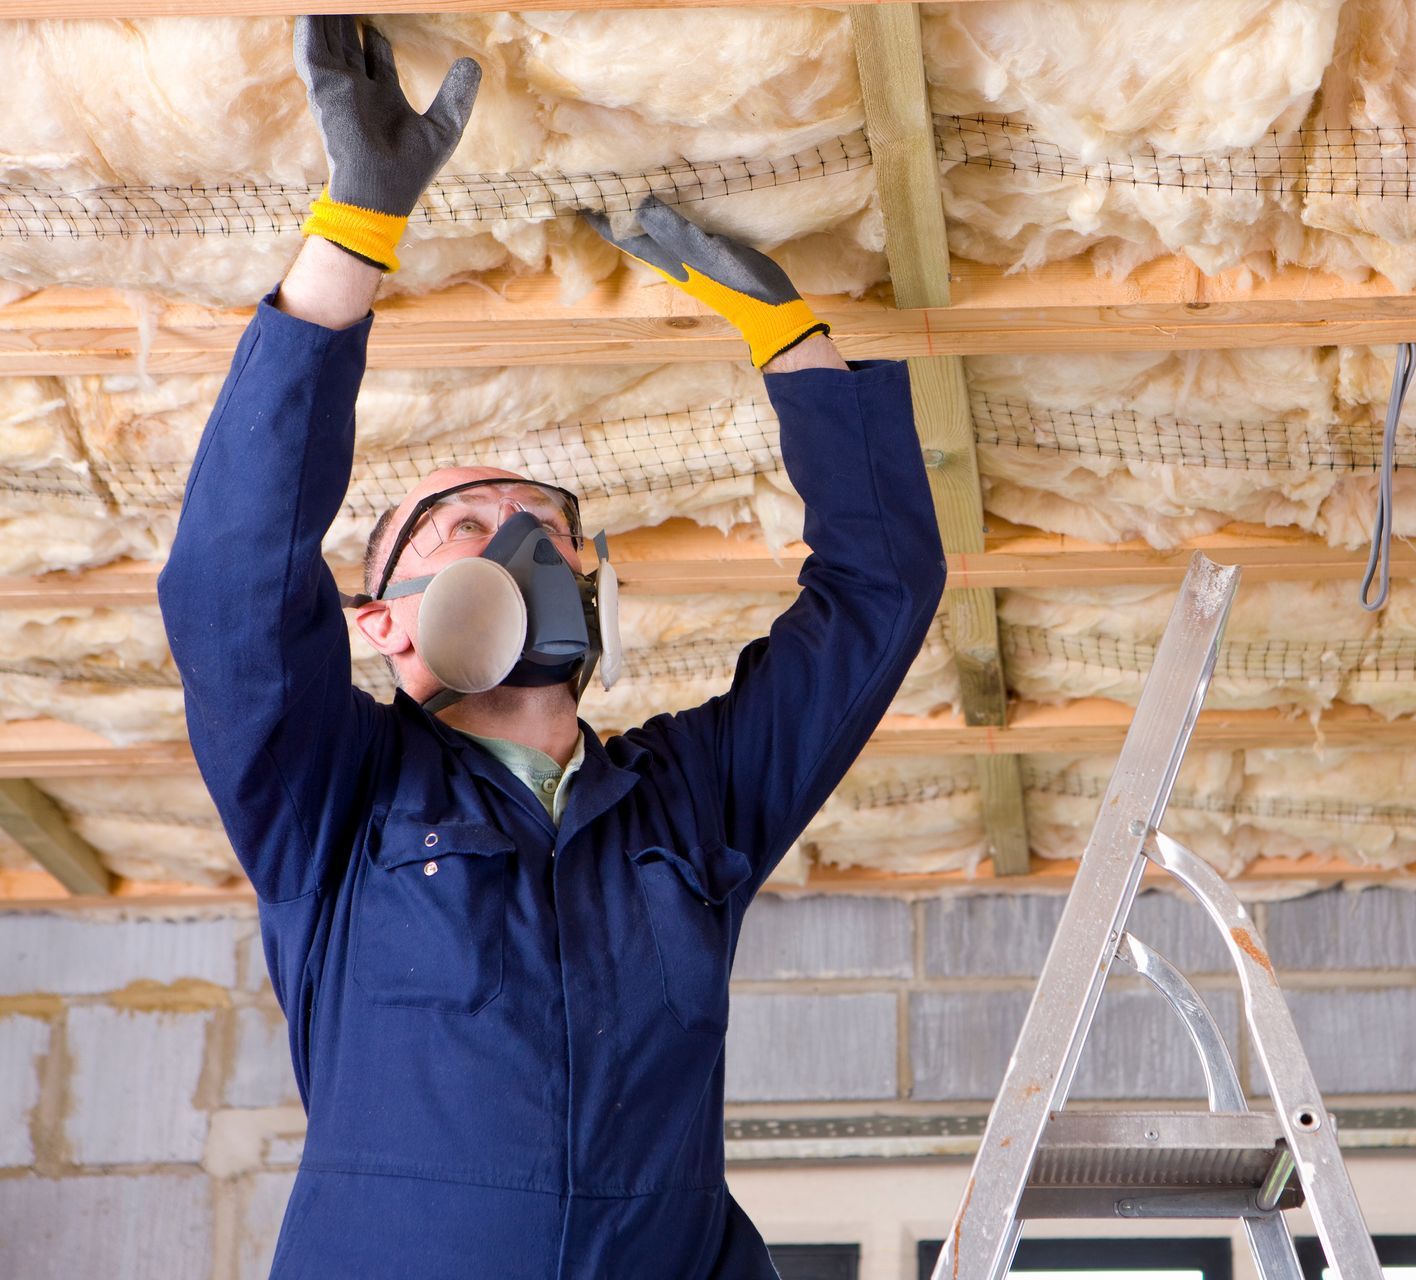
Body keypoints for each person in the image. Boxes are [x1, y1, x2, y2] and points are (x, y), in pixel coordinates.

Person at [156, 16, 944, 1278]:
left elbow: (885, 586)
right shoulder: (332, 797)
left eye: (548, 529)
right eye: (469, 523)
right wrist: (352, 235)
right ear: (382, 620)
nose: (519, 540)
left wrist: (791, 341)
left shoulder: (688, 809)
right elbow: (230, 584)